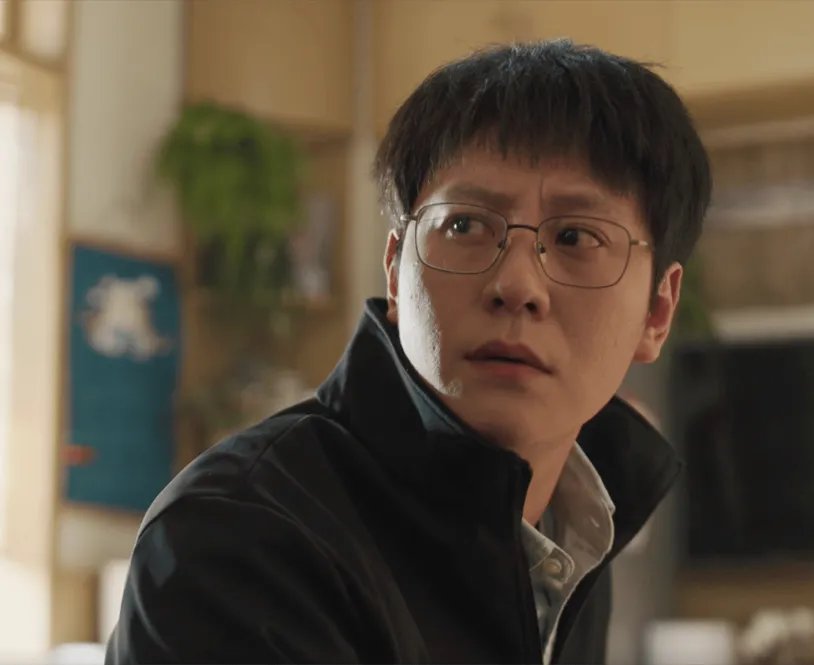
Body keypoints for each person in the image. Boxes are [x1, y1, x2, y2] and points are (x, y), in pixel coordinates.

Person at [106, 39, 711, 665]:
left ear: (657, 312)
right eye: (465, 225)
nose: (518, 286)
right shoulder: (242, 537)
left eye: (577, 237)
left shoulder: (569, 540)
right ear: (396, 271)